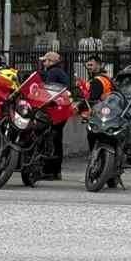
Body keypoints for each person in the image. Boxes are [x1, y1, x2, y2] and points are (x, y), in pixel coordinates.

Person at [38, 51, 72, 179]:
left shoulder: (52, 73)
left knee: (50, 139)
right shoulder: (61, 72)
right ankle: (56, 171)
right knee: (57, 139)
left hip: (54, 110)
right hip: (62, 110)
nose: (43, 63)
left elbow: (48, 91)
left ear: (51, 62)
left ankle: (49, 170)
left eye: (45, 61)